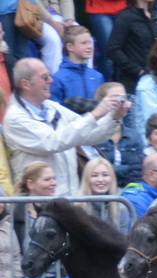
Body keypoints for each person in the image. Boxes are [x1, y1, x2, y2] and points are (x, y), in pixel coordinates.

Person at [5, 58, 126, 191]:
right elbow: (53, 142)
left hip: (70, 197)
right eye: (45, 77)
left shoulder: (53, 107)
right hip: (38, 202)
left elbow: (89, 134)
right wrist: (96, 113)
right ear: (26, 84)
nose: (51, 80)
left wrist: (114, 117)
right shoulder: (15, 118)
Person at [51, 25, 105, 112]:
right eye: (84, 43)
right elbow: (54, 110)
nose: (89, 47)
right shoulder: (58, 78)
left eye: (89, 42)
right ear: (70, 47)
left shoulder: (97, 76)